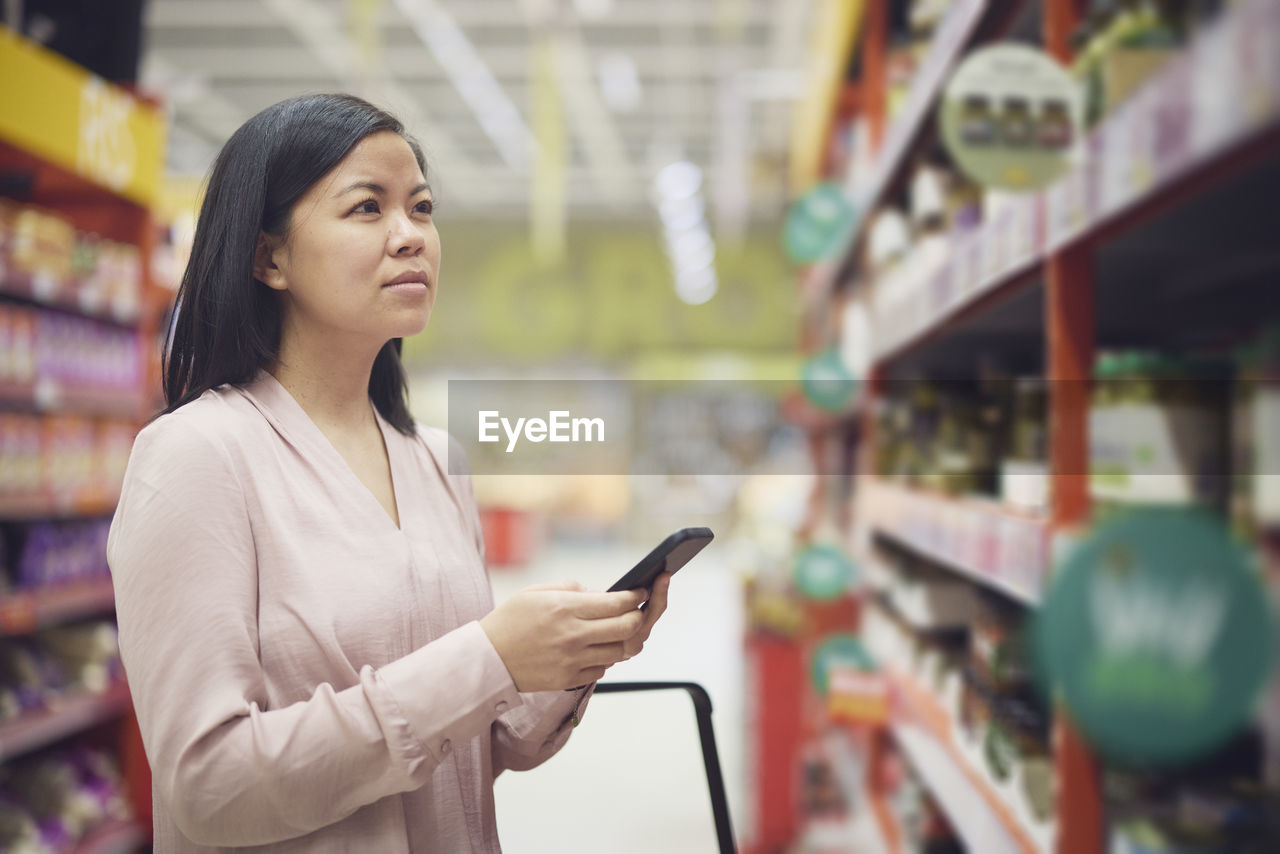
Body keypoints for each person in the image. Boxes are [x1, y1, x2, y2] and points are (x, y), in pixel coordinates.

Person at [106, 93, 671, 853]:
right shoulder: (198, 458)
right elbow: (209, 788)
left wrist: (571, 660)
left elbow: (481, 750)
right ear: (267, 255)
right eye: (367, 208)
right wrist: (488, 656)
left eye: (423, 207)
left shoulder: (435, 460)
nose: (412, 237)